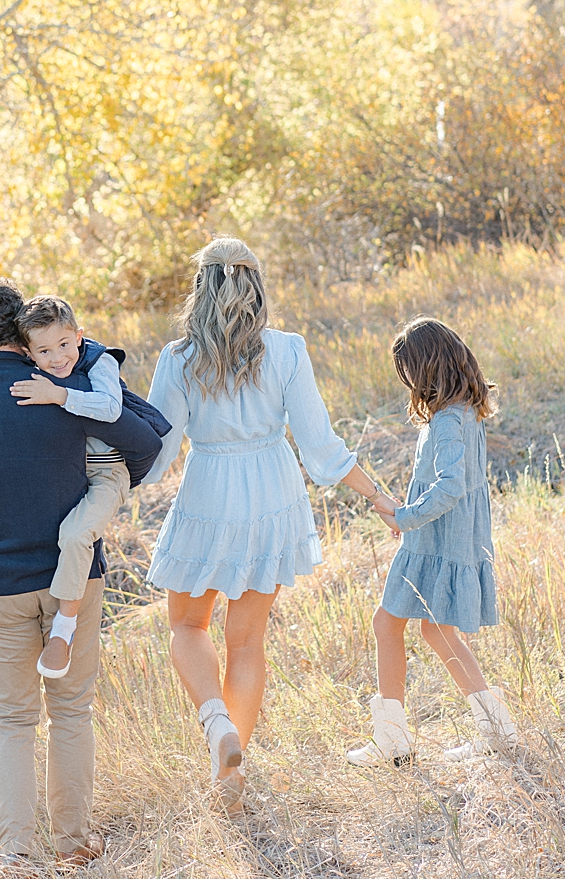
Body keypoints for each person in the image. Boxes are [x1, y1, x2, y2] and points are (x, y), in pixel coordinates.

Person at [0, 277, 163, 870]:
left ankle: (16, 852)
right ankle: (72, 843)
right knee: (71, 710)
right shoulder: (60, 389)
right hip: (71, 578)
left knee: (11, 718)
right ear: (22, 333)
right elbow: (145, 446)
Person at [142, 236, 396, 810]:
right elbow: (321, 448)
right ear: (256, 286)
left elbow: (158, 454)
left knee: (186, 625)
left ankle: (216, 725)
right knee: (247, 640)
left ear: (200, 290)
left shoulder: (178, 358)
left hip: (210, 492)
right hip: (272, 496)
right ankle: (230, 778)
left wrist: (96, 477)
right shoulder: (287, 351)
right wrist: (378, 497)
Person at [0, 293, 161, 681]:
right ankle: (28, 641)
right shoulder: (36, 376)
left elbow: (129, 428)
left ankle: (63, 629)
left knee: (75, 536)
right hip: (79, 484)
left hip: (103, 475)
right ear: (26, 351)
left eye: (63, 345)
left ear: (78, 336)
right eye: (44, 350)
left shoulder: (84, 373)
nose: (57, 357)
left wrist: (60, 397)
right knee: (71, 710)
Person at [347, 317, 519, 768]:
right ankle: (495, 728)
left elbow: (449, 487)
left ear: (423, 370)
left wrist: (404, 517)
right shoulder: (464, 409)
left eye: (408, 373)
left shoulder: (446, 419)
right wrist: (408, 516)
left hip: (436, 542)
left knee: (388, 624)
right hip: (447, 537)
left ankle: (393, 740)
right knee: (434, 629)